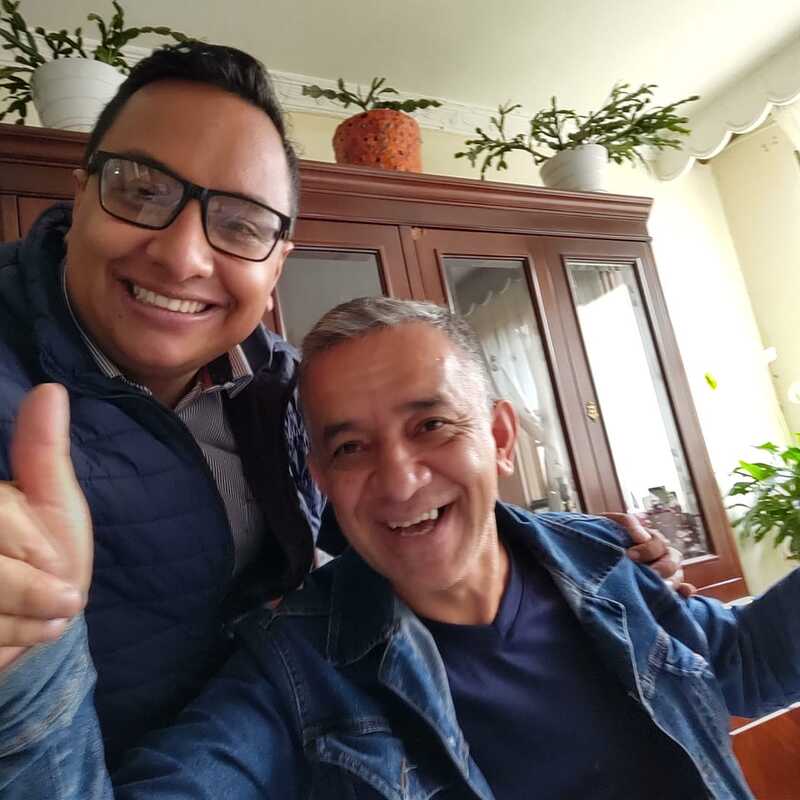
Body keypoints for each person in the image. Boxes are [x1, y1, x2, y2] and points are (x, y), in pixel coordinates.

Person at [2, 298, 798, 800]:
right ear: (321, 478)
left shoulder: (601, 557)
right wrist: (29, 661)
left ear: (499, 437)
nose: (399, 479)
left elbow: (744, 663)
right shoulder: (294, 670)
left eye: (432, 425)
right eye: (350, 448)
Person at [0, 41, 323, 767]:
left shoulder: (287, 384)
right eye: (141, 192)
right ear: (81, 196)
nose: (182, 257)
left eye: (241, 225)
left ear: (277, 264)